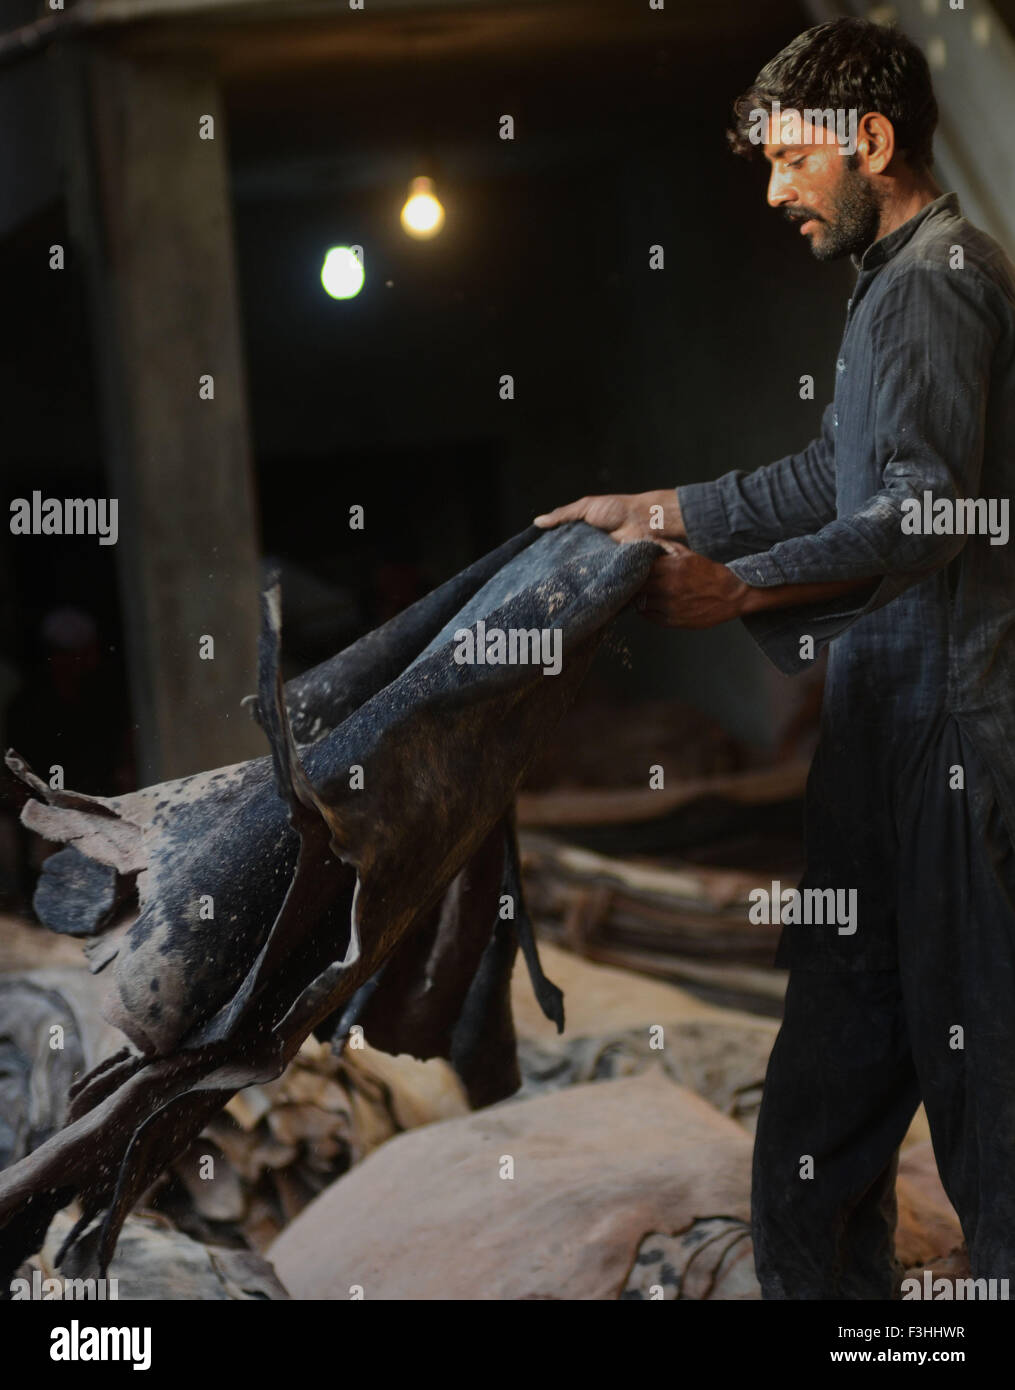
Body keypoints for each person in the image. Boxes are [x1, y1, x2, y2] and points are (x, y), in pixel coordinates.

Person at [534, 17, 1015, 1299]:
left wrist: (738, 584)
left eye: (790, 160)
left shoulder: (943, 277)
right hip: (881, 748)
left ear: (870, 141)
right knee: (811, 1144)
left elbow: (921, 510)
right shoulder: (890, 282)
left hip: (960, 756)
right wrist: (655, 511)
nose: (772, 190)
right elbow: (830, 477)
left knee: (993, 1141)